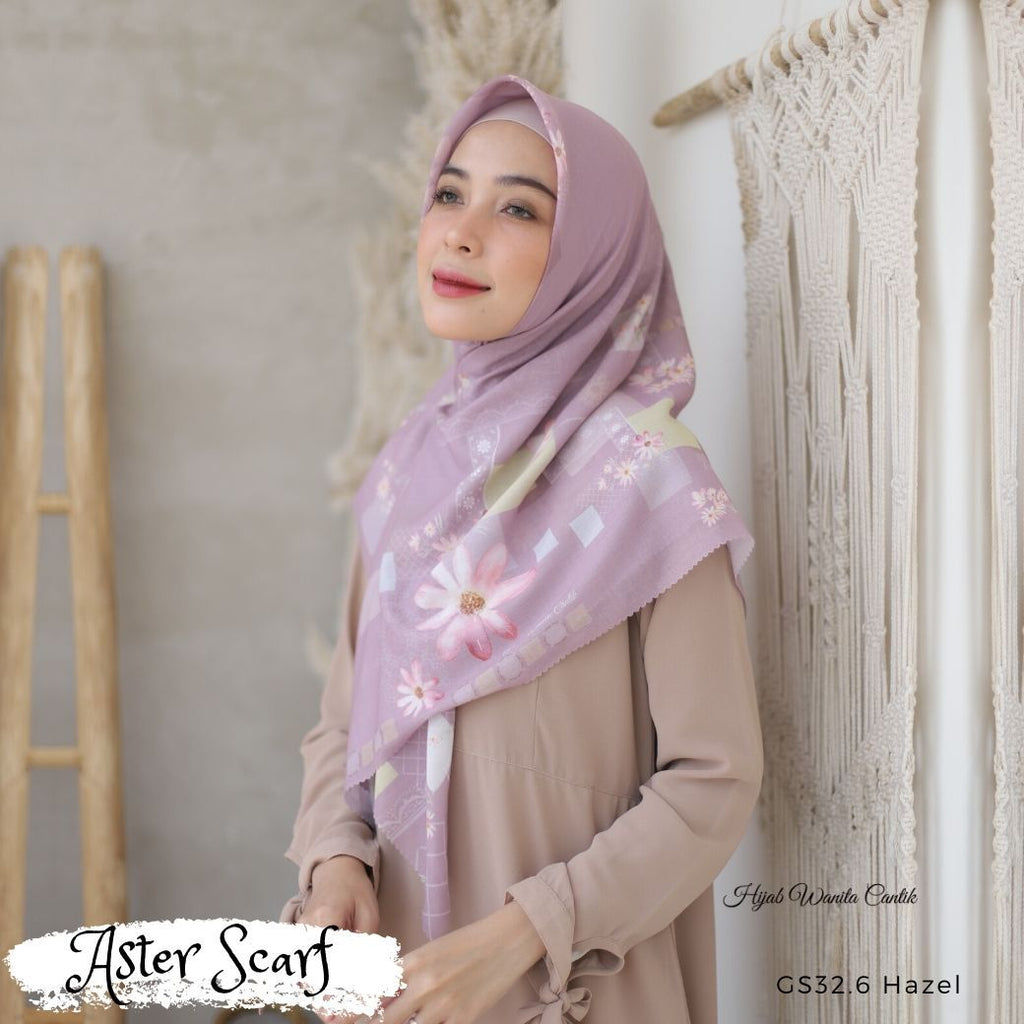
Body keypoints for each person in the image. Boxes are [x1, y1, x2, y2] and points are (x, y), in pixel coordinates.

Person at [281, 74, 763, 1024]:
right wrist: (335, 859)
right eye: (449, 194)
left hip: (572, 993)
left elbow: (714, 783)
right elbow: (344, 725)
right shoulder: (409, 471)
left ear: (592, 253)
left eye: (518, 209)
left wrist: (517, 938)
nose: (461, 234)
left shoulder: (652, 484)